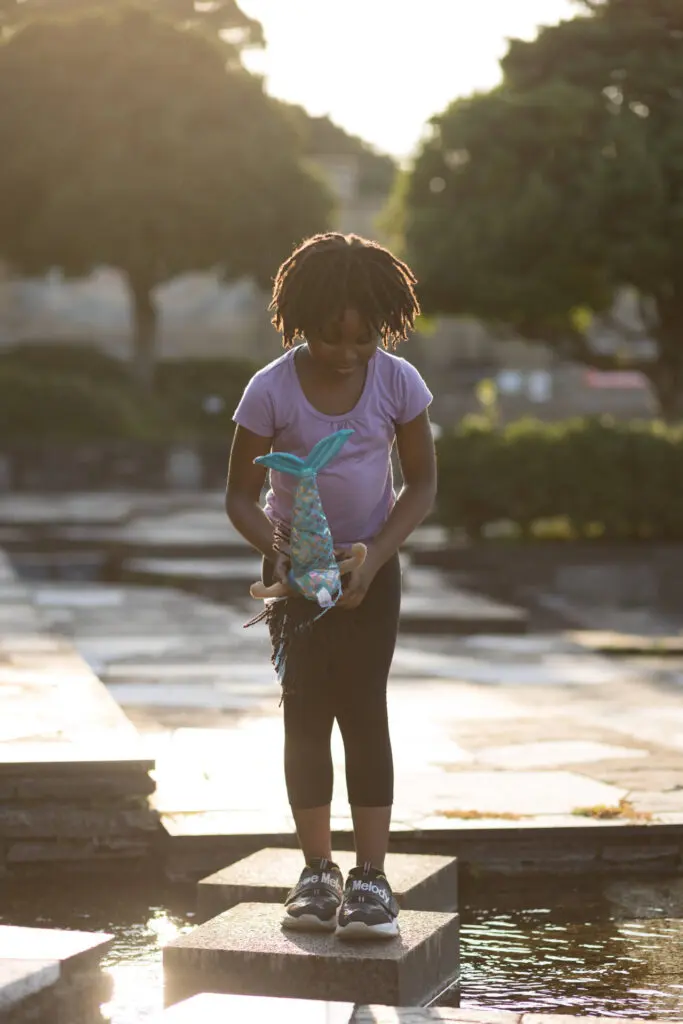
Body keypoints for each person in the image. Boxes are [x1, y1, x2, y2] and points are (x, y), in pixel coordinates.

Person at [226, 232, 436, 940]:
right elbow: (239, 499)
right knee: (306, 713)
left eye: (364, 338)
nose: (347, 353)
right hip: (293, 578)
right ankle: (317, 872)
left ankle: (371, 880)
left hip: (370, 569)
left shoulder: (397, 383)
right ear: (297, 321)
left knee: (363, 709)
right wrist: (283, 561)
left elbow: (421, 483)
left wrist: (372, 558)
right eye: (329, 338)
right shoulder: (270, 389)